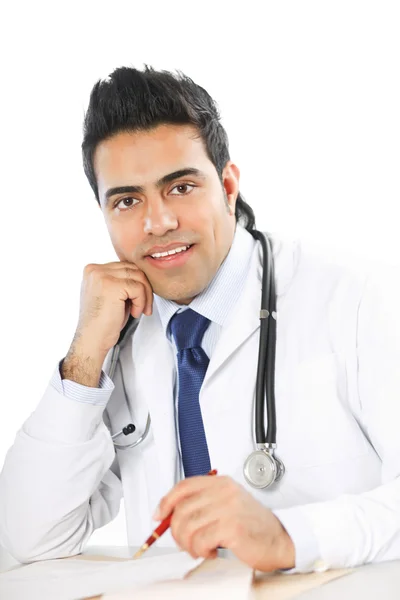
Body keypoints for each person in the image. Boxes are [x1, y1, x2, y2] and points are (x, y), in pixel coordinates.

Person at [0, 66, 399, 573]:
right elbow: (28, 537)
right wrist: (83, 359)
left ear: (228, 185)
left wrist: (289, 537)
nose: (158, 223)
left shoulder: (358, 298)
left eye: (181, 187)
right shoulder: (116, 343)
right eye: (127, 200)